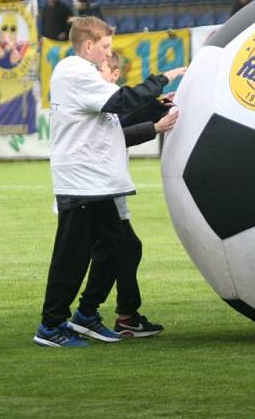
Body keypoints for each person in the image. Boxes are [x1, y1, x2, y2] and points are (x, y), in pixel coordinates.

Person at [34, 16, 186, 347]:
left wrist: (154, 109)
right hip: (82, 182)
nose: (108, 53)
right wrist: (163, 79)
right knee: (71, 257)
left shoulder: (81, 73)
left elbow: (114, 116)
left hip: (97, 183)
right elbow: (120, 102)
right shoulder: (75, 71)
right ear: (88, 45)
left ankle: (89, 315)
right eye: (105, 47)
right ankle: (51, 324)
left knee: (123, 246)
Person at [76, 52, 177, 339]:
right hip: (95, 186)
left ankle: (123, 315)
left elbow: (123, 118)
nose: (97, 75)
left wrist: (156, 107)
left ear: (115, 73)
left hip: (106, 185)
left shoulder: (106, 101)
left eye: (101, 70)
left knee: (122, 247)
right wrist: (154, 127)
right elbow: (112, 135)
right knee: (114, 248)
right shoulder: (93, 99)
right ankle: (87, 313)